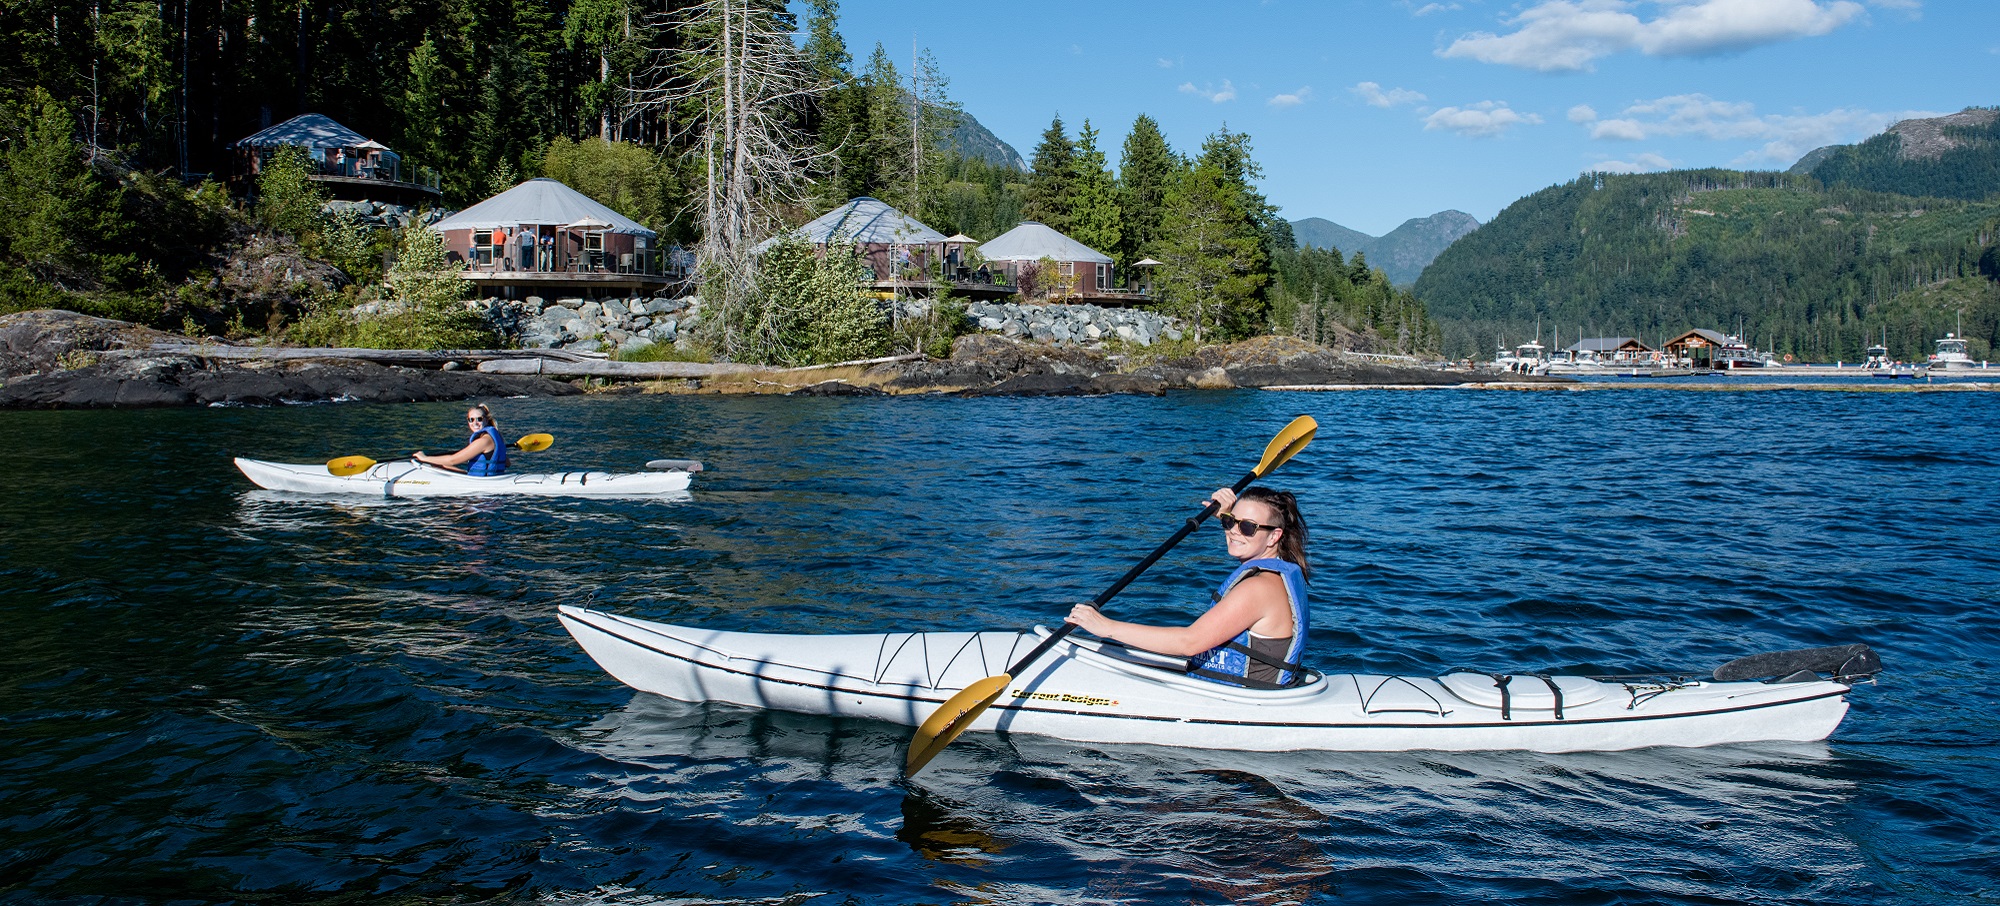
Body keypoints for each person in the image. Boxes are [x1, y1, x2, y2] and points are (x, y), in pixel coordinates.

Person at [1067, 487, 1310, 689]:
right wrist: (1225, 513)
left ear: (1274, 536)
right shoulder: (1277, 569)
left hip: (1244, 702)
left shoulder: (1259, 587)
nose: (1234, 531)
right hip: (1225, 689)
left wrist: (1105, 627)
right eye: (1229, 522)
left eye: (1247, 527)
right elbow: (1242, 529)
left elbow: (1189, 642)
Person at [414, 405, 509, 476]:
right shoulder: (496, 437)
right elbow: (507, 463)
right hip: (486, 479)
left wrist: (424, 458)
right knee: (441, 466)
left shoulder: (483, 441)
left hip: (481, 486)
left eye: (479, 419)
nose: (475, 423)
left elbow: (452, 460)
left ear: (486, 420)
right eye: (471, 420)